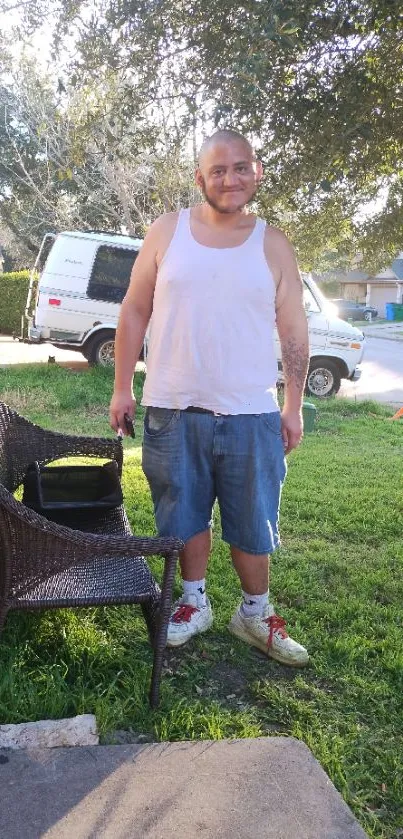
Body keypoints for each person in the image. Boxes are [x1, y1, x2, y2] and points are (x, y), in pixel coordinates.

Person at [109, 128, 310, 666]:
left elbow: (293, 331)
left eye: (240, 167)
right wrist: (122, 386)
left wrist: (291, 406)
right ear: (200, 177)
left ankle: (254, 612)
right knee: (181, 512)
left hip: (251, 412)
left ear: (257, 171)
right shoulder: (165, 232)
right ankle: (192, 602)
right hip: (174, 408)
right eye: (217, 170)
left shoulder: (273, 244)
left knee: (254, 518)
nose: (230, 178)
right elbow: (133, 311)